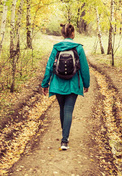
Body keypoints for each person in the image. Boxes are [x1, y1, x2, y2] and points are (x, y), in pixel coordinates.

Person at [41, 23, 90, 151]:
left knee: (62, 109)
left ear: (63, 34)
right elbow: (84, 68)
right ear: (73, 34)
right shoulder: (78, 48)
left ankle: (65, 134)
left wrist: (45, 84)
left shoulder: (56, 48)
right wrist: (86, 84)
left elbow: (49, 66)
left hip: (57, 84)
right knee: (68, 110)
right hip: (73, 85)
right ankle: (65, 139)